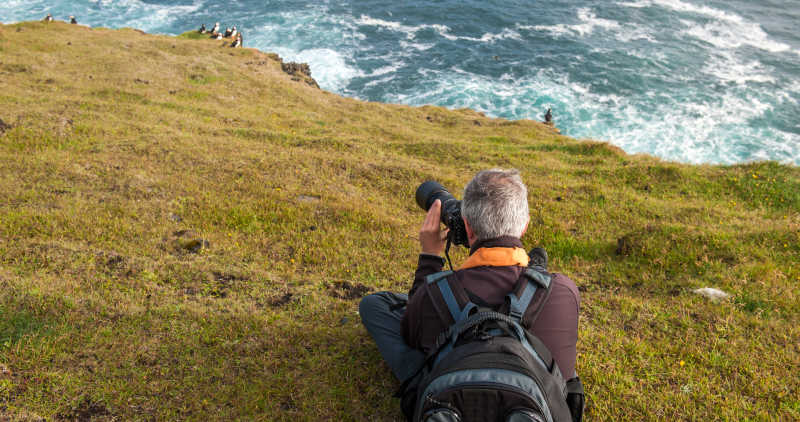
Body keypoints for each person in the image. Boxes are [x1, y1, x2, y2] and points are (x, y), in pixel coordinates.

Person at [359, 169, 580, 398]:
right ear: (525, 225)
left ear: (467, 227)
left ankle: (422, 382)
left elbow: (409, 334)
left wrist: (430, 258)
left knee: (374, 304)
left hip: (449, 400)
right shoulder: (563, 291)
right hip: (534, 404)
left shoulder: (434, 293)